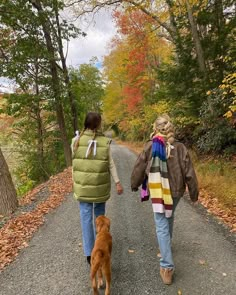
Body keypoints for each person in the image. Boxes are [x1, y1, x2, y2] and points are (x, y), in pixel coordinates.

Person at [131, 114, 198, 285]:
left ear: (155, 129)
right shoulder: (181, 148)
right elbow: (189, 173)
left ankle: (167, 266)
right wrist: (193, 193)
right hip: (176, 192)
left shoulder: (151, 146)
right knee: (169, 217)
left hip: (159, 191)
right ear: (170, 128)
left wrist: (134, 183)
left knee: (161, 224)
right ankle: (165, 248)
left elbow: (139, 166)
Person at [72, 112, 123, 265]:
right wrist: (117, 182)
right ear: (98, 124)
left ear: (85, 123)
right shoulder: (105, 142)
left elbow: (74, 164)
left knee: (85, 218)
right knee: (100, 219)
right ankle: (101, 247)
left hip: (82, 187)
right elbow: (111, 164)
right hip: (100, 187)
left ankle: (89, 253)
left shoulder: (76, 140)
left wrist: (73, 181)